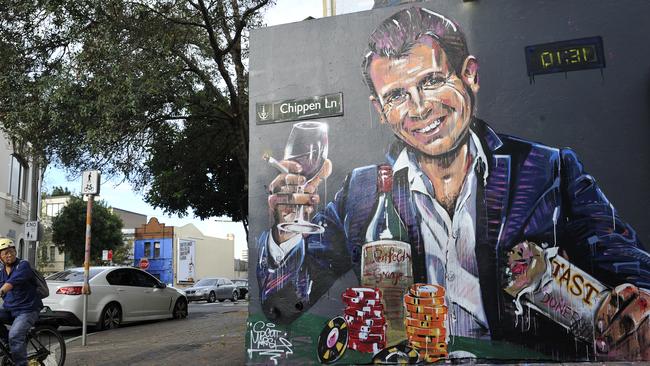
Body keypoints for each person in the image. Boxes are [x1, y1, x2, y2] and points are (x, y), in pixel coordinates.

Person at [257, 6, 649, 360]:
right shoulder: (358, 194)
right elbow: (283, 302)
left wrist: (638, 305)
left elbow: (629, 266)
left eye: (431, 81)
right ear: (380, 111)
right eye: (397, 95)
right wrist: (285, 234)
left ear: (470, 76)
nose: (419, 107)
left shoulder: (549, 171)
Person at [0, 238, 43, 366]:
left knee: (15, 336)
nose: (9, 255)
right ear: (0, 256)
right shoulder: (1, 272)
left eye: (11, 251)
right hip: (10, 309)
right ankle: (8, 343)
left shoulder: (23, 265)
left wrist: (3, 289)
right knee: (11, 339)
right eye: (5, 252)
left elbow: (13, 281)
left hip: (28, 309)